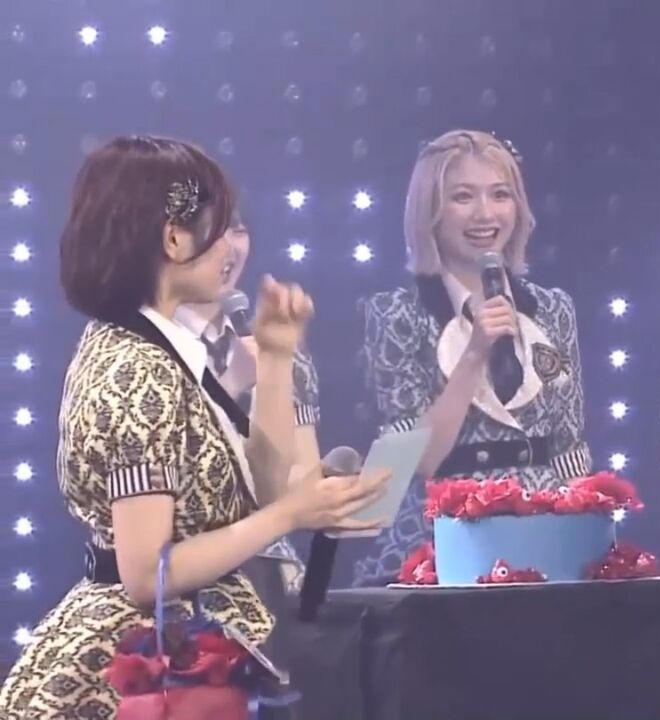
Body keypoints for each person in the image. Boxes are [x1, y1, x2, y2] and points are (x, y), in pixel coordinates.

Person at [0, 136, 387, 718]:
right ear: (174, 238)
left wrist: (276, 360)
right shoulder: (137, 369)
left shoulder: (164, 349)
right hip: (151, 663)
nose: (233, 247)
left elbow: (262, 490)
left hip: (201, 642)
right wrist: (289, 516)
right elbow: (146, 576)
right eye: (218, 227)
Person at [351, 129, 592, 586]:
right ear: (430, 212)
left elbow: (569, 447)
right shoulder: (396, 314)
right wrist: (475, 353)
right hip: (442, 536)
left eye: (500, 195)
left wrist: (587, 535)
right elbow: (416, 460)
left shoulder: (553, 308)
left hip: (544, 532)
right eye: (463, 197)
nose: (485, 213)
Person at [174, 207, 323, 598]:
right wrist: (229, 385)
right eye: (213, 231)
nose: (228, 247)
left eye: (238, 231)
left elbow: (297, 476)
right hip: (183, 572)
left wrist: (331, 493)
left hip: (270, 571)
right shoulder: (147, 350)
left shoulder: (279, 343)